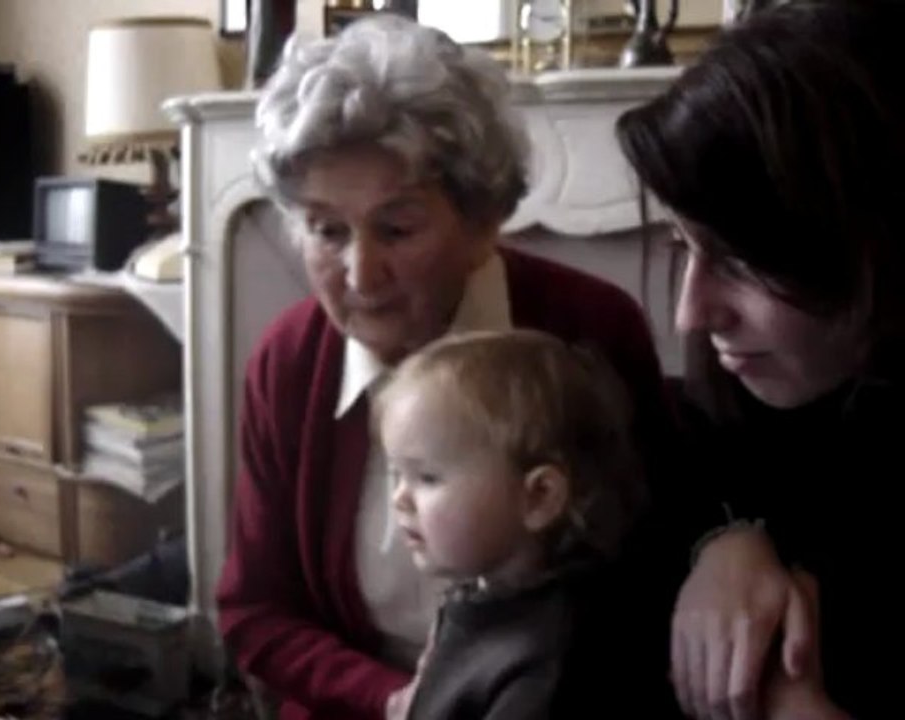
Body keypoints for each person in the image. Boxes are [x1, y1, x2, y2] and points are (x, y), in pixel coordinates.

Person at [216, 13, 676, 720]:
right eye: (326, 230)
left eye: (397, 228)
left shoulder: (588, 328)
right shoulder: (288, 362)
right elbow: (254, 610)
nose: (360, 273)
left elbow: (654, 561)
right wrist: (397, 700)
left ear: (483, 221)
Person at [616, 1, 905, 718]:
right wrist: (726, 538)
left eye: (740, 259)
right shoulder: (733, 415)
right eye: (683, 247)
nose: (690, 312)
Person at [374, 330, 645, 718]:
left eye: (427, 477)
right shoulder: (481, 594)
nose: (399, 498)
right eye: (396, 474)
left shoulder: (547, 667)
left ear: (539, 497)